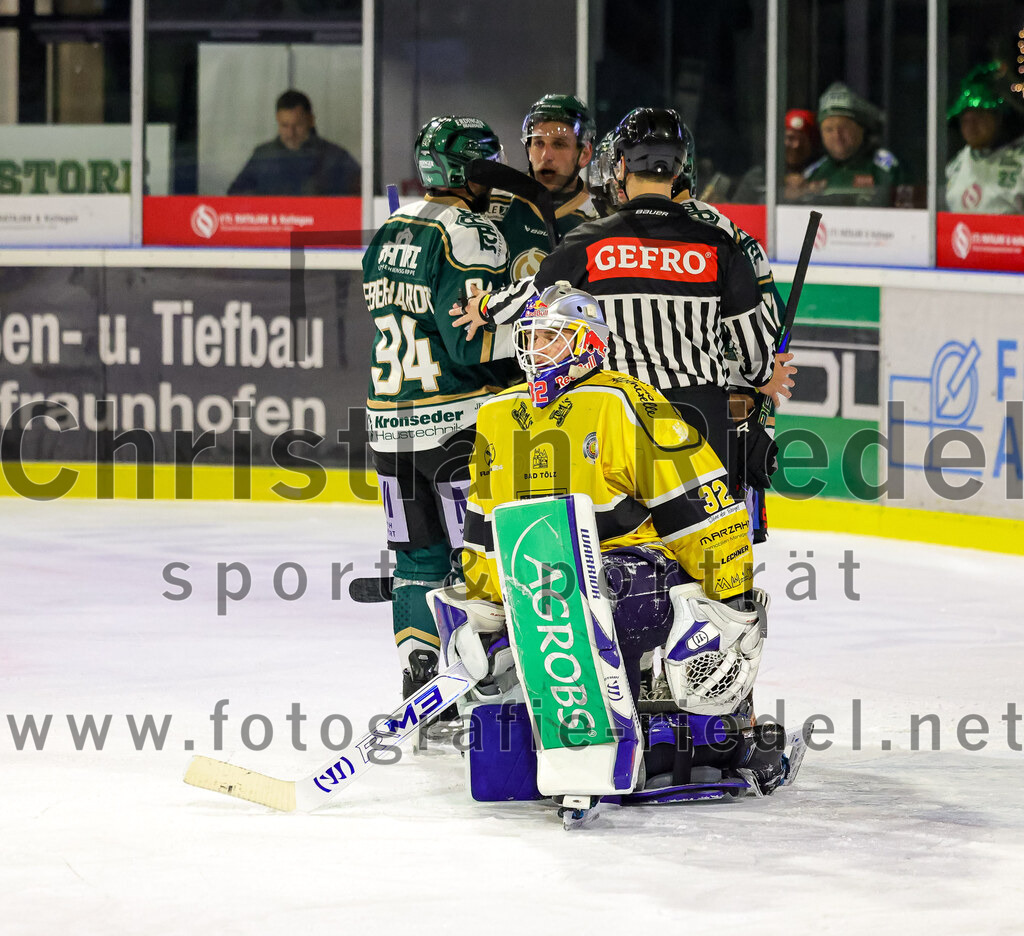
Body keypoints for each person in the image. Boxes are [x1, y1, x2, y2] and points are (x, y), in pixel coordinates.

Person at [433, 283, 791, 813]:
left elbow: (696, 502)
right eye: (529, 337)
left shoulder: (622, 400)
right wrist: (486, 603)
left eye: (551, 337)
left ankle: (721, 733)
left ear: (587, 342)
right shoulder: (497, 413)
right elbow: (484, 522)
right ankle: (572, 738)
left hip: (632, 575)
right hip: (539, 583)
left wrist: (729, 591)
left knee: (620, 591)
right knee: (488, 607)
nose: (535, 350)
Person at [455, 107, 793, 498]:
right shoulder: (719, 245)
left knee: (619, 546)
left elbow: (533, 293)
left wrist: (483, 307)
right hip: (699, 418)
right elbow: (756, 361)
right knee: (701, 548)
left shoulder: (589, 240)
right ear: (678, 168)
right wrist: (767, 370)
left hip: (617, 413)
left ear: (620, 166)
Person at [362, 115, 514, 700]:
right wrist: (534, 332)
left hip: (389, 431)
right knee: (472, 560)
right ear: (469, 170)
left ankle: (420, 678)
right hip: (455, 431)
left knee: (413, 561)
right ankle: (476, 684)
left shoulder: (387, 231)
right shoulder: (470, 231)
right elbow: (469, 342)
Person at [487, 93, 599, 279]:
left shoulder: (602, 215)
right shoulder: (494, 200)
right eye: (538, 143)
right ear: (528, 149)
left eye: (559, 144)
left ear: (585, 154)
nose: (546, 155)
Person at [228, 89, 361, 196]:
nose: (291, 133)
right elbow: (236, 195)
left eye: (298, 125)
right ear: (277, 121)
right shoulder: (263, 156)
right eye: (284, 126)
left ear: (311, 120)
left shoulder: (335, 157)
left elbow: (363, 194)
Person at [795, 82, 906, 207]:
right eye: (829, 129)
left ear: (861, 128)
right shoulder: (814, 172)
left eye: (844, 127)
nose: (837, 136)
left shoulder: (886, 167)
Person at [945, 63, 1024, 213]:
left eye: (979, 117)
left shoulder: (1020, 160)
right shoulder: (956, 165)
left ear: (998, 117)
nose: (971, 127)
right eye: (965, 120)